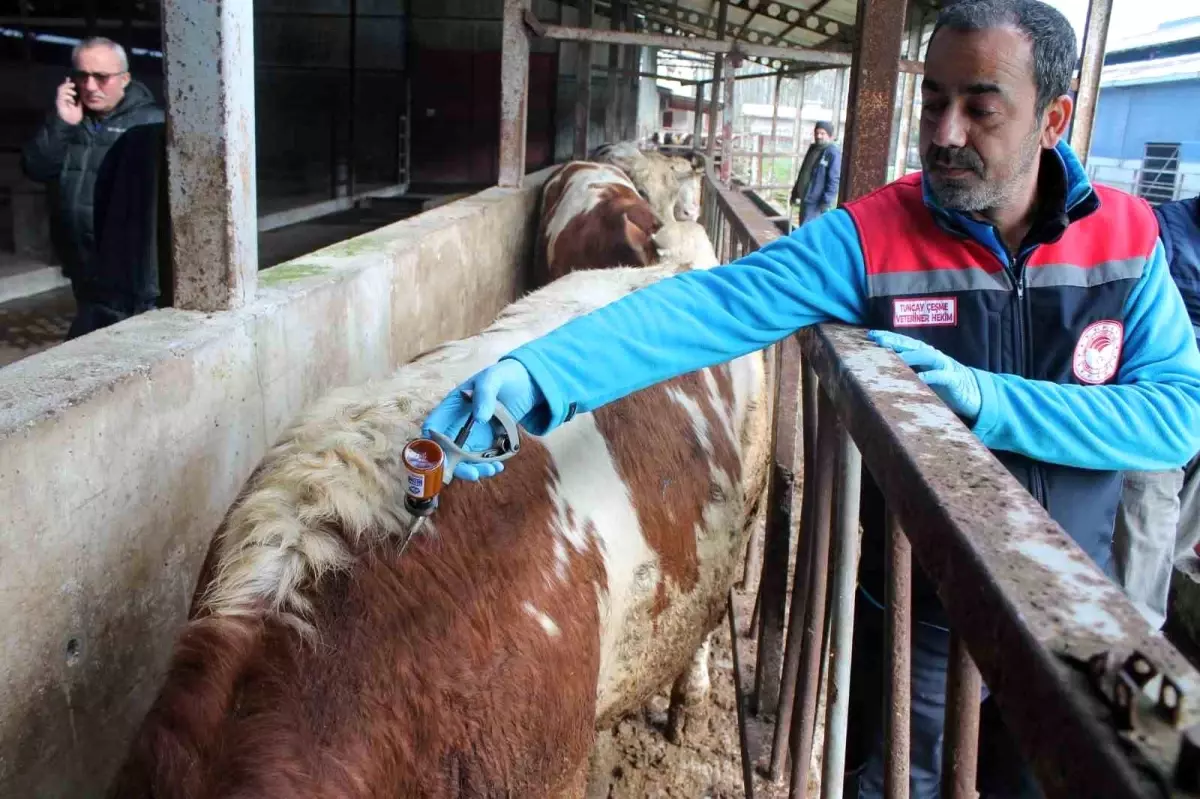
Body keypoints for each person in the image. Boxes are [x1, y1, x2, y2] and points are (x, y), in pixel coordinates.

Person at [424, 0, 1200, 796]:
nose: (943, 133)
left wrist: (984, 402)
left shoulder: (1129, 238)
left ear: (1054, 117)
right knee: (897, 779)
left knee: (1119, 771)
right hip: (919, 610)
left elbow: (1178, 415)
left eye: (979, 109)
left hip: (1084, 607)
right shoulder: (874, 233)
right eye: (932, 101)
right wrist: (539, 375)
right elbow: (712, 306)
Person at [21, 36, 167, 340]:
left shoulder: (152, 124)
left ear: (125, 79)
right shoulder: (70, 121)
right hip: (83, 268)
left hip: (131, 277)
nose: (89, 86)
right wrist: (62, 123)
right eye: (81, 76)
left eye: (101, 77)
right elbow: (36, 168)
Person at [1113, 192, 1200, 630]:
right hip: (1158, 410)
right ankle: (1130, 651)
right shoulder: (1162, 228)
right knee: (1143, 536)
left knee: (1173, 543)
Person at [789, 120, 842, 224]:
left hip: (816, 202)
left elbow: (834, 179)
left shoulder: (832, 153)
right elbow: (803, 172)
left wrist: (826, 201)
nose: (819, 136)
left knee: (808, 231)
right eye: (817, 133)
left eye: (822, 133)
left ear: (829, 135)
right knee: (803, 227)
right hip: (805, 198)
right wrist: (795, 193)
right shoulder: (813, 148)